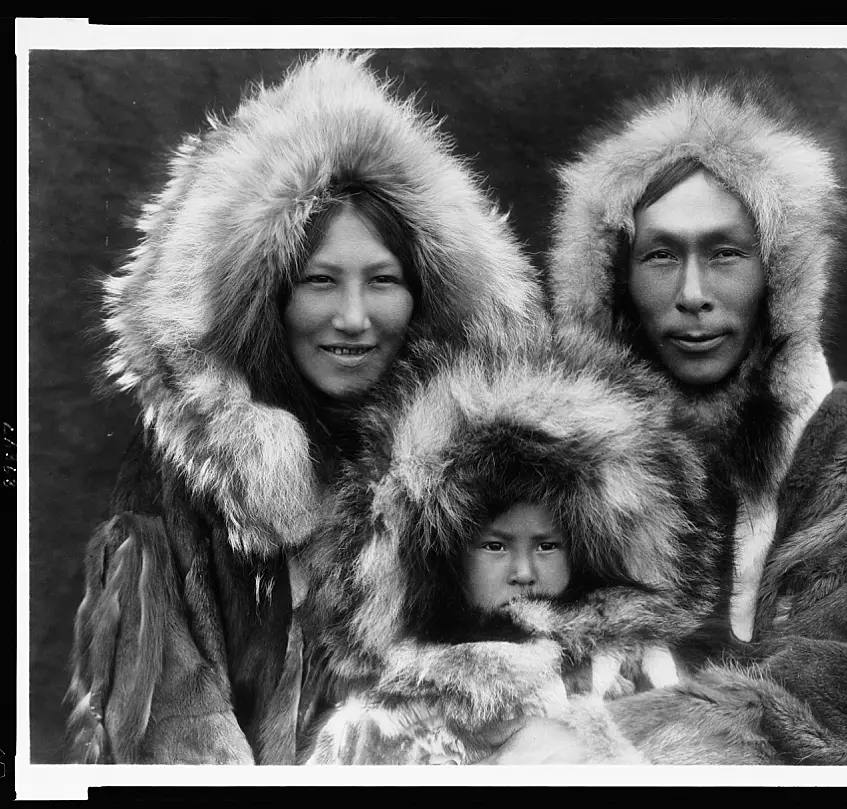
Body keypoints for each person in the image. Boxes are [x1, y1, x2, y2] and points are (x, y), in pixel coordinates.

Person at [64, 50, 546, 765]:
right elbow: (166, 725)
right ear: (271, 298)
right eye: (321, 280)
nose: (353, 317)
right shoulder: (189, 474)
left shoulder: (483, 472)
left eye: (382, 279)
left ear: (424, 297)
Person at [489, 74, 847, 766]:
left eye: (725, 253)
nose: (693, 295)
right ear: (615, 278)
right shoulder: (552, 451)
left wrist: (580, 745)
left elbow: (830, 716)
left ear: (778, 274)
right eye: (660, 256)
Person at [293, 329, 732, 765]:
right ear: (444, 559)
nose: (524, 572)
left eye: (547, 546)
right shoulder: (376, 723)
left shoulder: (637, 679)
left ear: (585, 553)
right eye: (495, 547)